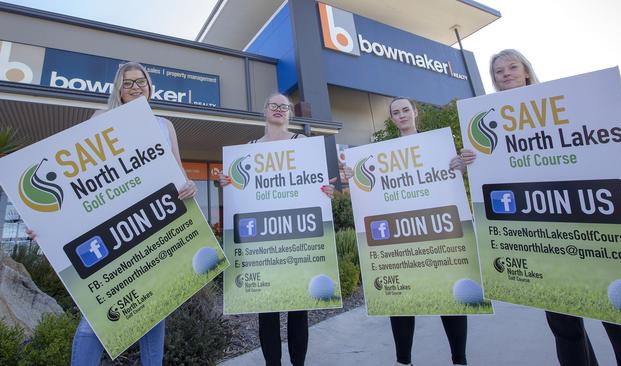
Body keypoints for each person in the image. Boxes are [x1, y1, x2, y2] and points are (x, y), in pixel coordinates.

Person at [467, 49, 621, 366]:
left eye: (512, 67)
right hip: (546, 240)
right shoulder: (487, 123)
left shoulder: (567, 104)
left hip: (595, 232)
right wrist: (465, 160)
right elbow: (492, 171)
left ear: (526, 71)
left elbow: (599, 141)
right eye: (498, 71)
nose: (505, 73)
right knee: (565, 329)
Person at [28, 61, 197, 366]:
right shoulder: (102, 118)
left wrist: (188, 186)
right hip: (111, 230)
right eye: (128, 83)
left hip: (155, 224)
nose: (136, 87)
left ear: (150, 86)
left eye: (141, 82)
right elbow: (76, 179)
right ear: (119, 89)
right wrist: (46, 222)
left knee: (155, 310)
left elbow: (179, 173)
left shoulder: (164, 125)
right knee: (96, 319)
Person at [342, 96, 472, 366]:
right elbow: (370, 187)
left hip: (438, 232)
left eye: (405, 110)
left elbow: (452, 181)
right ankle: (404, 361)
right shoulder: (381, 154)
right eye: (395, 112)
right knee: (400, 298)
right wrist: (350, 177)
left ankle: (459, 360)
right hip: (399, 237)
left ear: (415, 112)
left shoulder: (439, 146)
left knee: (448, 294)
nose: (401, 115)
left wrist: (461, 165)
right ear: (391, 119)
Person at [218, 92, 335, 366]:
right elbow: (244, 193)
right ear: (264, 110)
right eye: (274, 105)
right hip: (262, 244)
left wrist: (325, 191)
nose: (279, 110)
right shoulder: (249, 148)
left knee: (298, 309)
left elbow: (313, 186)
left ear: (290, 113)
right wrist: (228, 184)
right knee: (267, 312)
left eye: (284, 106)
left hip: (296, 239)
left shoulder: (302, 143)